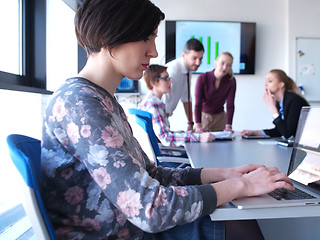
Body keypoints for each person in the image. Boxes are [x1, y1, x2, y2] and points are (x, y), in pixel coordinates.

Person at [40, 0, 294, 239]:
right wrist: (240, 185)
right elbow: (150, 209)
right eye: (145, 38)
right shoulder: (81, 104)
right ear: (108, 36)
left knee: (234, 213)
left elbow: (151, 174)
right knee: (237, 222)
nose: (154, 51)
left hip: (126, 226)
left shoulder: (99, 99)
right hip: (118, 232)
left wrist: (224, 174)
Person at [139, 64, 215, 147]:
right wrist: (198, 137)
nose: (170, 82)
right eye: (165, 78)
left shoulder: (154, 102)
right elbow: (166, 138)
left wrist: (192, 133)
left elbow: (166, 133)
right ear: (154, 83)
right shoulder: (152, 105)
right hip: (166, 153)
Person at [241, 69, 309, 139]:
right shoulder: (280, 102)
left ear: (281, 84)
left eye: (270, 81)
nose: (265, 85)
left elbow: (288, 134)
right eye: (266, 82)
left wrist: (272, 108)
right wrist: (255, 133)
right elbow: (280, 130)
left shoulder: (294, 101)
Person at [163, 38, 204, 131]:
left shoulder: (188, 70)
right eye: (194, 58)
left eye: (200, 59)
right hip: (159, 118)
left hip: (164, 118)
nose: (198, 63)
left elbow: (186, 99)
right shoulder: (172, 72)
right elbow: (164, 103)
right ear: (183, 55)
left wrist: (190, 123)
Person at [194, 52, 236, 132]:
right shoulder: (202, 78)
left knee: (221, 143)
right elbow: (198, 104)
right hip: (204, 117)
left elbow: (230, 105)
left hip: (220, 118)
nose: (224, 68)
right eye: (222, 63)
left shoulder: (231, 81)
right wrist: (198, 125)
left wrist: (229, 126)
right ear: (216, 63)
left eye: (228, 65)